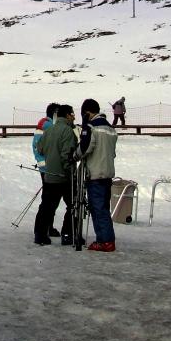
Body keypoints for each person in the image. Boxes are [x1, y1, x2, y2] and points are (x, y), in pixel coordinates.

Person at [34, 104, 77, 246]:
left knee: (47, 206)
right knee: (73, 205)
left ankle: (40, 234)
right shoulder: (68, 131)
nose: (74, 117)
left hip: (49, 175)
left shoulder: (49, 129)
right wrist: (70, 173)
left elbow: (39, 148)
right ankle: (68, 235)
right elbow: (67, 156)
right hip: (64, 177)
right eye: (72, 114)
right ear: (67, 115)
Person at [78, 98, 117, 252]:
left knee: (97, 208)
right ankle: (105, 238)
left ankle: (105, 240)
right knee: (104, 208)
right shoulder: (110, 127)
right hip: (107, 172)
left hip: (95, 173)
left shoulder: (91, 126)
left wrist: (74, 155)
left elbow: (86, 147)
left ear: (87, 112)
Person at [32, 103, 61, 238]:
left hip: (46, 166)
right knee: (50, 199)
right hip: (49, 168)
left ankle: (46, 227)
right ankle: (43, 228)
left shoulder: (44, 124)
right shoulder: (49, 126)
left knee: (50, 198)